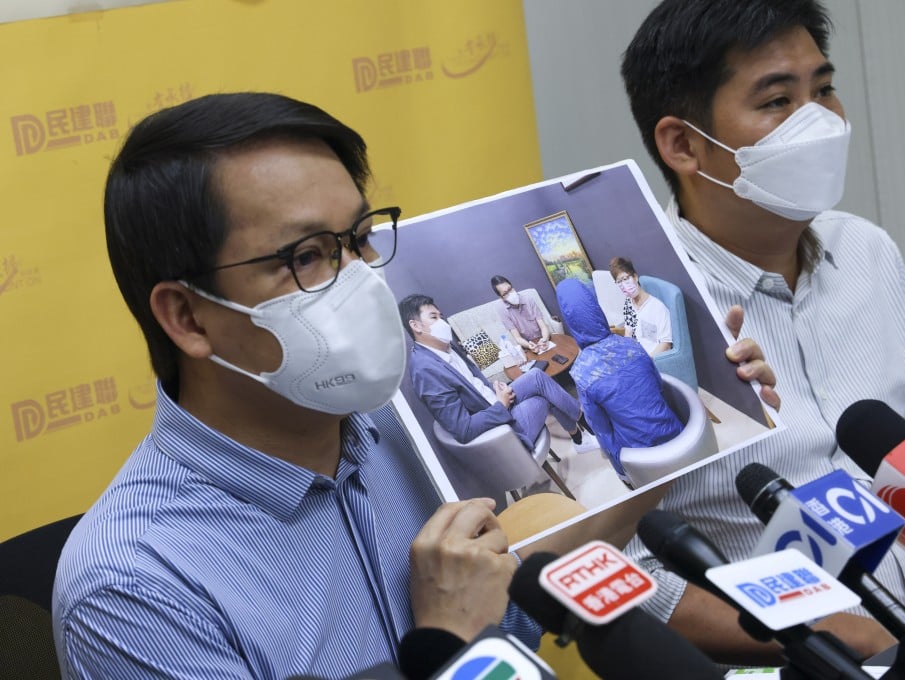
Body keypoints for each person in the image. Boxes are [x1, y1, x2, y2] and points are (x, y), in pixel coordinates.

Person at [52, 92, 540, 680]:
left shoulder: (405, 429)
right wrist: (451, 644)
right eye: (306, 256)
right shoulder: (135, 587)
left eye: (358, 239)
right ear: (188, 316)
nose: (360, 279)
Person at [620, 0, 905, 664]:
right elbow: (633, 573)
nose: (819, 122)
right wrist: (849, 640)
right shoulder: (645, 318)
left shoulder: (867, 252)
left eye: (823, 90)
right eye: (778, 101)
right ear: (683, 144)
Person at [400, 293, 598, 456]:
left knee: (537, 376)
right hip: (501, 427)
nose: (442, 322)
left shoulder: (446, 346)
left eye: (440, 316)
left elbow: (472, 383)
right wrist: (500, 405)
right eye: (433, 317)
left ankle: (582, 428)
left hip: (494, 400)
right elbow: (463, 430)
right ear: (416, 326)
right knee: (544, 395)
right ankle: (584, 430)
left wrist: (494, 388)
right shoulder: (425, 371)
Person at [556, 278, 684, 482]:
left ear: (570, 320)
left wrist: (621, 471)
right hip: (676, 436)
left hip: (641, 458)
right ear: (596, 309)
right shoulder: (632, 345)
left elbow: (602, 430)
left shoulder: (582, 373)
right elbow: (658, 387)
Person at [609, 256, 672, 357]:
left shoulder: (657, 307)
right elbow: (628, 334)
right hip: (636, 357)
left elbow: (666, 344)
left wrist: (647, 362)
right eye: (619, 282)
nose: (624, 285)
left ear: (635, 277)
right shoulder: (628, 304)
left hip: (652, 360)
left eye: (625, 279)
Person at [491, 274, 551, 353]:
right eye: (505, 294)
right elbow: (517, 337)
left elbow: (543, 326)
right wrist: (529, 346)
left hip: (542, 338)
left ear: (513, 287)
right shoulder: (502, 309)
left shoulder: (528, 299)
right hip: (527, 345)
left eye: (510, 289)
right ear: (501, 297)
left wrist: (544, 340)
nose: (510, 294)